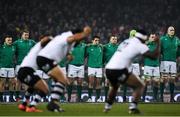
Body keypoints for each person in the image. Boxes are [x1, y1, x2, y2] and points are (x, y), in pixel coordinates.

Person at [103, 29, 160, 114]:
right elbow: (154, 56)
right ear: (143, 37)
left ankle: (107, 106)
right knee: (140, 85)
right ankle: (133, 107)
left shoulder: (126, 41)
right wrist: (159, 43)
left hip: (108, 68)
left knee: (115, 87)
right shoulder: (139, 45)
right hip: (119, 69)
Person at [36, 26, 91, 111]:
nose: (81, 39)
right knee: (61, 79)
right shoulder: (68, 37)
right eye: (80, 36)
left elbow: (66, 49)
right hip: (45, 59)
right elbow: (71, 39)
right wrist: (85, 33)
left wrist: (69, 55)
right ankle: (52, 103)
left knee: (59, 81)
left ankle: (39, 103)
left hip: (47, 59)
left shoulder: (70, 41)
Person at [13, 30, 36, 100]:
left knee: (27, 81)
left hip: (29, 64)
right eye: (25, 35)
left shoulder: (32, 42)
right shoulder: (16, 43)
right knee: (19, 81)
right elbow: (13, 52)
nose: (26, 36)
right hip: (19, 64)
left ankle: (27, 97)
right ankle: (17, 96)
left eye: (27, 35)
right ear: (21, 35)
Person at [160, 26, 180, 102]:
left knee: (172, 80)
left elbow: (179, 49)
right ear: (167, 31)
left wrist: (176, 55)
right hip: (165, 61)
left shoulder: (177, 39)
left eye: (173, 30)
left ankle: (172, 98)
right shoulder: (163, 39)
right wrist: (164, 56)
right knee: (163, 79)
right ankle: (161, 98)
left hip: (173, 62)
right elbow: (160, 49)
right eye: (171, 30)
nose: (172, 31)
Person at [142, 33, 160, 102]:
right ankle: (143, 98)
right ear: (149, 38)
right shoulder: (146, 45)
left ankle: (155, 98)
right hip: (148, 66)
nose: (153, 38)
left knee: (156, 82)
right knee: (146, 82)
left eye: (154, 37)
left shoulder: (158, 45)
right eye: (151, 37)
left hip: (156, 66)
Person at [86, 36, 103, 102]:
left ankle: (98, 98)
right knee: (91, 83)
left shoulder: (101, 47)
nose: (97, 42)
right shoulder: (89, 47)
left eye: (98, 40)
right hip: (91, 67)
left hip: (99, 67)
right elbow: (85, 55)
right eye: (95, 40)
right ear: (92, 41)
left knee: (98, 83)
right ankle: (89, 98)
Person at [0, 35, 16, 102]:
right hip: (3, 67)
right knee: (2, 83)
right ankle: (1, 98)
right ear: (5, 41)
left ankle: (11, 98)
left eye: (10, 40)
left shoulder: (14, 47)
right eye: (8, 40)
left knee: (12, 83)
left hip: (11, 68)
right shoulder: (1, 47)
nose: (10, 41)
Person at [103, 35, 118, 101]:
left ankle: (113, 97)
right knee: (107, 81)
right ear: (110, 40)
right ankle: (106, 97)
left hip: (116, 66)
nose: (114, 40)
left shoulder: (119, 47)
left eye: (115, 39)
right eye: (113, 39)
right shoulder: (105, 47)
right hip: (108, 66)